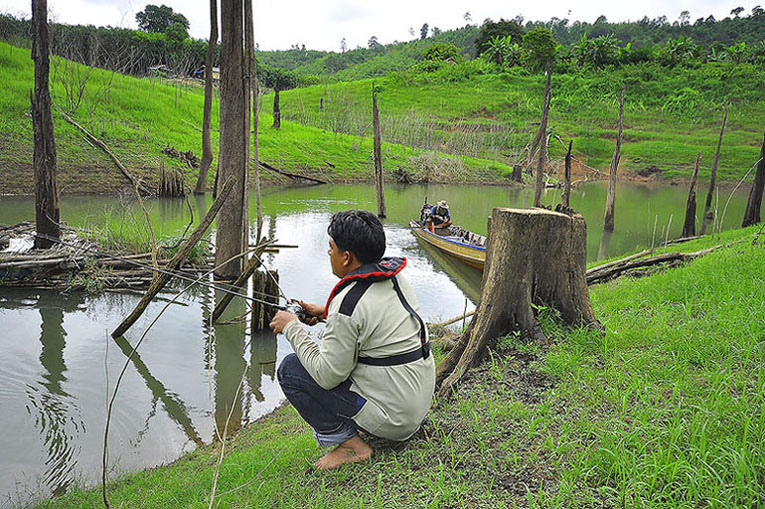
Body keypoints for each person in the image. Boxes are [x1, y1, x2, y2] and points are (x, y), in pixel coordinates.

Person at [269, 210, 435, 470]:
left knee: (291, 370)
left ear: (346, 257)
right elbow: (372, 321)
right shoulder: (395, 277)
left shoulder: (347, 305)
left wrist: (292, 327)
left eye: (331, 247)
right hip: (416, 403)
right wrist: (325, 313)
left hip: (395, 420)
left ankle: (350, 445)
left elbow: (327, 376)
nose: (328, 253)